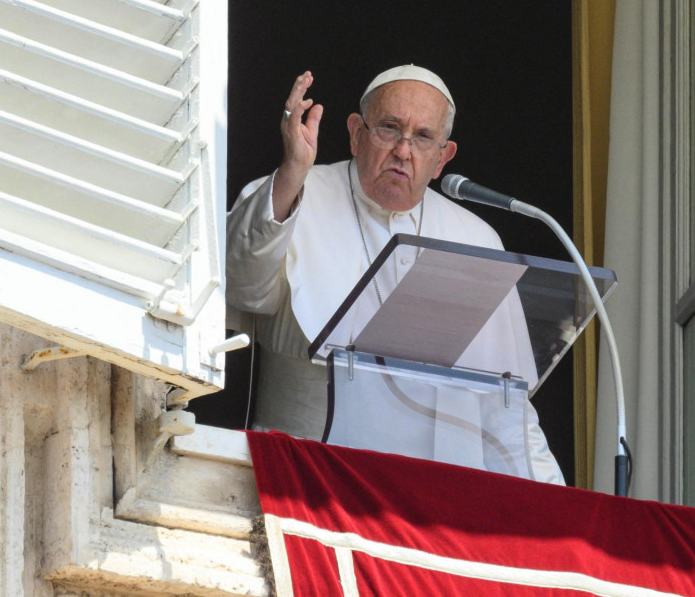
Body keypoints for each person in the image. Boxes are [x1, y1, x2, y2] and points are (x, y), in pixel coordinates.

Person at [226, 65, 564, 484]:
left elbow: (505, 399)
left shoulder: (478, 238)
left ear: (443, 158)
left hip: (431, 491)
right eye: (389, 128)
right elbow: (242, 288)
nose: (404, 150)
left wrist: (556, 498)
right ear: (355, 133)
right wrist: (292, 171)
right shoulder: (292, 195)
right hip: (305, 472)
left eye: (423, 137)